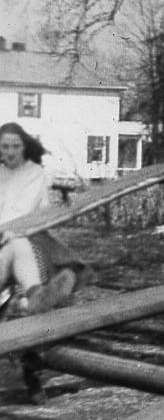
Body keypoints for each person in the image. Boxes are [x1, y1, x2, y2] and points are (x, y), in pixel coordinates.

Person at [0, 122, 82, 316]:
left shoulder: (34, 173)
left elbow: (24, 213)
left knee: (18, 244)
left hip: (17, 238)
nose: (10, 152)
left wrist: (6, 232)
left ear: (25, 147)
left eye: (15, 146)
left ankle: (36, 297)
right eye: (4, 147)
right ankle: (27, 302)